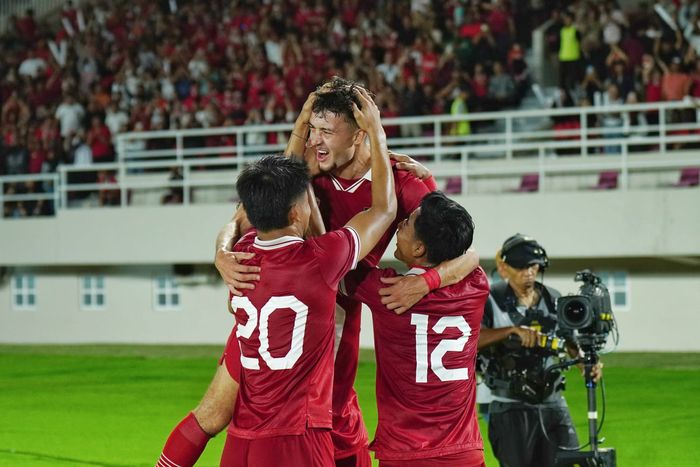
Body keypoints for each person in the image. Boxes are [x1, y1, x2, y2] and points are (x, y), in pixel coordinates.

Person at [215, 77, 479, 467]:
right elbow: (241, 218)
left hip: (339, 311)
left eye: (326, 131)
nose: (314, 141)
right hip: (282, 303)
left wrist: (426, 281)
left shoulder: (400, 182)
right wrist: (220, 254)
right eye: (312, 129)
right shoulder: (310, 168)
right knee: (230, 412)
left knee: (328, 413)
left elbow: (467, 255)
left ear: (359, 135)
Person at [157, 86, 397, 467]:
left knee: (209, 415)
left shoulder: (243, 254)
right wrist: (379, 135)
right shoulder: (322, 259)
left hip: (243, 440)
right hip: (299, 437)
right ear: (294, 213)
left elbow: (257, 204)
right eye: (304, 199)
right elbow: (383, 210)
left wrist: (221, 254)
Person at [339, 192, 489, 466]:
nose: (399, 225)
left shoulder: (384, 291)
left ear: (419, 249)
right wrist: (431, 279)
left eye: (406, 222)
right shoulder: (477, 285)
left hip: (406, 454)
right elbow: (470, 255)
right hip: (464, 453)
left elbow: (332, 259)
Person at [478, 234, 603, 467]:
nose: (528, 273)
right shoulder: (488, 298)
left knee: (575, 461)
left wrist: (585, 365)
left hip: (553, 402)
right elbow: (471, 340)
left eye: (533, 267)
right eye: (521, 267)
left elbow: (570, 342)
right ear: (504, 268)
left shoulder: (553, 298)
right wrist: (511, 331)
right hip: (509, 405)